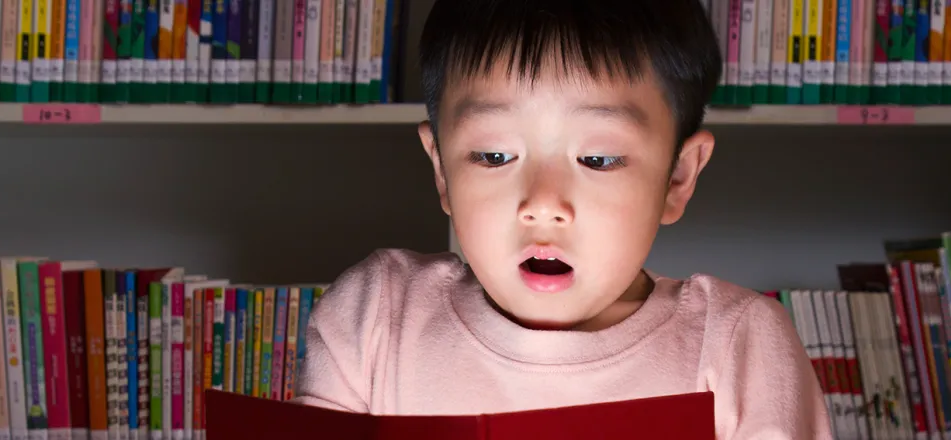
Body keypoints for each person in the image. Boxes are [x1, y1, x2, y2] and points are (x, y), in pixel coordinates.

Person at [294, 0, 832, 438]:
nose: (543, 203)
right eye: (494, 156)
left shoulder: (739, 346)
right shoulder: (375, 319)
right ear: (441, 171)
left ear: (677, 177)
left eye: (597, 159)